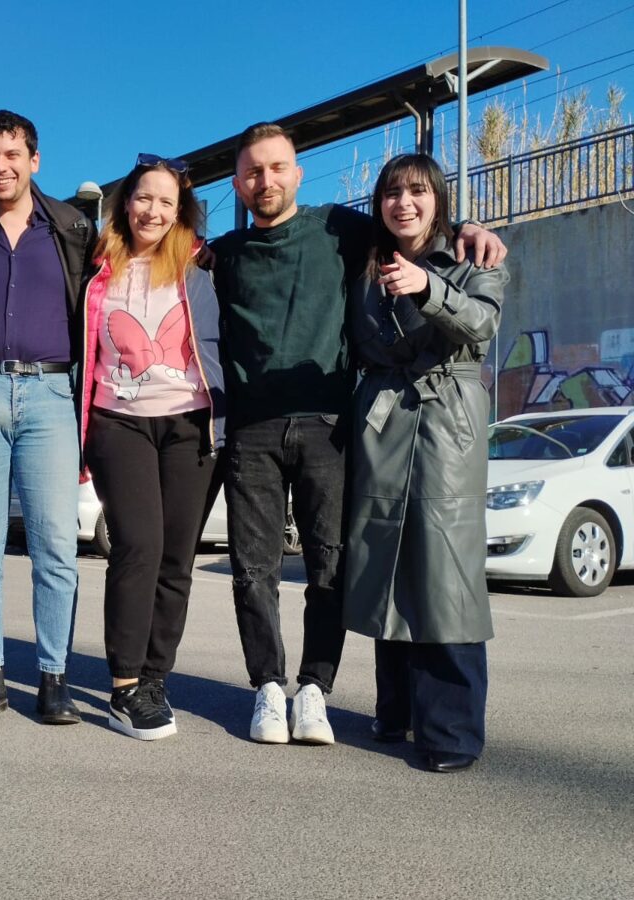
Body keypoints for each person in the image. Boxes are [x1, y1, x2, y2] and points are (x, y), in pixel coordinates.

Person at [210, 122, 506, 746]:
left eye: (279, 167)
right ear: (239, 182)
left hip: (389, 424)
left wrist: (464, 235)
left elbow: (470, 308)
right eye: (392, 192)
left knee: (388, 569)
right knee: (340, 567)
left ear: (298, 172)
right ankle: (327, 698)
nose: (404, 202)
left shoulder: (370, 236)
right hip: (326, 427)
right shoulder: (259, 251)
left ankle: (372, 706)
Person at [343, 154, 505, 773]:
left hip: (447, 421)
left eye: (417, 191)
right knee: (388, 560)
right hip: (381, 419)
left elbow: (483, 325)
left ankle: (452, 731)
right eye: (391, 193)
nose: (403, 203)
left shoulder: (474, 258)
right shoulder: (362, 261)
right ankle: (397, 707)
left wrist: (430, 286)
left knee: (446, 571)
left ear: (438, 198)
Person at [0, 110, 97, 724]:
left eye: (11, 155)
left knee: (55, 545)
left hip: (50, 395)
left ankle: (54, 678)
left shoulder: (70, 228)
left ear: (34, 160)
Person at [80, 155, 225, 740]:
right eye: (144, 198)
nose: (154, 210)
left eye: (166, 202)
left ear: (180, 212)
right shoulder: (93, 265)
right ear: (125, 201)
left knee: (176, 559)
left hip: (191, 424)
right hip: (119, 420)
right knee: (138, 545)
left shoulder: (202, 264)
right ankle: (123, 685)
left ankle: (154, 678)